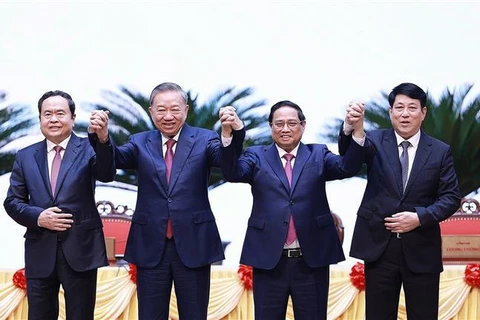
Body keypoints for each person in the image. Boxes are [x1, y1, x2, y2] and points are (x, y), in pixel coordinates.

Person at [88, 82, 245, 320]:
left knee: (194, 315)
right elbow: (112, 164)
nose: (168, 116)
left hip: (193, 244)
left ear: (186, 110)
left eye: (175, 109)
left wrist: (229, 134)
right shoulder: (140, 141)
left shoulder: (205, 139)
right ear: (151, 111)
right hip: (150, 245)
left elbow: (228, 165)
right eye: (161, 110)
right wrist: (102, 138)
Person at [219, 100, 367, 320]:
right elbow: (232, 173)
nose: (285, 129)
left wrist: (353, 129)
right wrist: (232, 132)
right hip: (269, 260)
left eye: (291, 123)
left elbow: (347, 167)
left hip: (311, 260)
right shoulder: (256, 155)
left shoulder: (318, 154)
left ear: (303, 125)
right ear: (271, 126)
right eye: (279, 124)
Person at [339, 82, 462, 320]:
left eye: (412, 108)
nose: (405, 114)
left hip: (421, 247)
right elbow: (348, 158)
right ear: (390, 111)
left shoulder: (439, 151)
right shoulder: (372, 140)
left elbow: (450, 197)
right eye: (399, 107)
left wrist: (419, 218)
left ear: (423, 113)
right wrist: (349, 129)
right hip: (379, 247)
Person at [3, 90, 115, 320]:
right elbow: (12, 201)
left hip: (80, 250)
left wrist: (103, 138)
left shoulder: (89, 148)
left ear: (73, 118)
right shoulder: (25, 156)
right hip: (40, 250)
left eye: (60, 113)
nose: (53, 119)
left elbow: (106, 173)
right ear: (40, 119)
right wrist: (38, 217)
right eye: (47, 114)